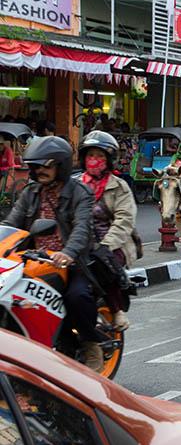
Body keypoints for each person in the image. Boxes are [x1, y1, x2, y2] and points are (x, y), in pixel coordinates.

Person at [1, 137, 104, 371]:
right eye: (36, 166)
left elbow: (82, 228)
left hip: (71, 262)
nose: (40, 171)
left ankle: (91, 345)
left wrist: (68, 253)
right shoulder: (31, 192)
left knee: (76, 297)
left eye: (46, 166)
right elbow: (11, 223)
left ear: (61, 165)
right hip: (33, 260)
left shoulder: (80, 193)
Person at [77, 131, 138, 331]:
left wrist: (105, 245)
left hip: (112, 242)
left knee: (102, 263)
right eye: (90, 155)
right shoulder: (75, 185)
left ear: (109, 160)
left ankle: (117, 310)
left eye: (100, 156)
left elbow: (124, 220)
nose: (94, 160)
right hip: (79, 242)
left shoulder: (119, 186)